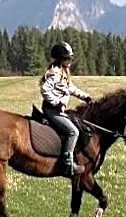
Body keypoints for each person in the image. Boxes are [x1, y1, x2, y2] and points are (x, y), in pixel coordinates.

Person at [40, 41, 93, 175]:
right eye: (67, 58)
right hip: (52, 110)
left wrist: (85, 97)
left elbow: (70, 88)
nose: (70, 60)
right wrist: (56, 102)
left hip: (58, 110)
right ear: (60, 59)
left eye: (70, 58)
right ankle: (67, 164)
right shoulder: (55, 73)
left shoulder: (64, 71)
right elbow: (45, 89)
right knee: (73, 131)